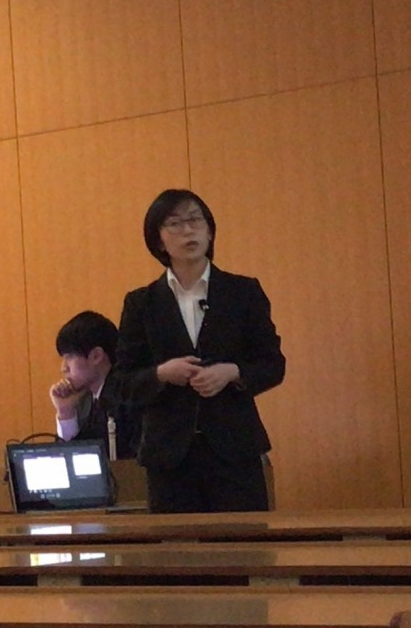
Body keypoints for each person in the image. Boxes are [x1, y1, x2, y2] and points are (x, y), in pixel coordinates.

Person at [106, 189, 286, 513]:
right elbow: (122, 382)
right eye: (175, 223)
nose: (188, 230)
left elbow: (273, 364)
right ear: (159, 241)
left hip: (234, 451)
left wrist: (233, 372)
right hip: (169, 458)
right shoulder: (141, 303)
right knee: (177, 544)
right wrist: (162, 374)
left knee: (245, 542)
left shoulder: (242, 292)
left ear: (210, 231)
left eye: (195, 220)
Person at [49, 310, 139, 459]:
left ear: (96, 356)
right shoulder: (85, 399)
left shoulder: (128, 397)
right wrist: (65, 413)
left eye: (70, 357)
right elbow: (73, 459)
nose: (63, 368)